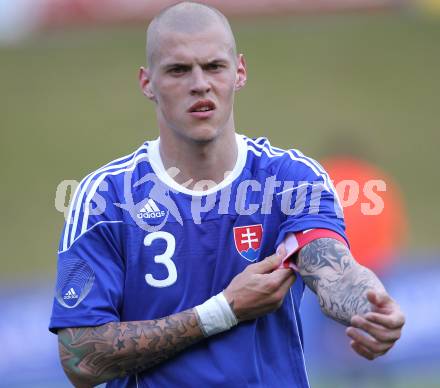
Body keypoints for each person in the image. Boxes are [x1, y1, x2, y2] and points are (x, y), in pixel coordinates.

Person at [49, 2, 405, 387]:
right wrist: (222, 311)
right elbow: (80, 357)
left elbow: (334, 269)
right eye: (178, 70)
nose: (199, 83)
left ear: (239, 72)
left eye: (214, 66)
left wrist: (371, 307)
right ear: (147, 82)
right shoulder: (107, 197)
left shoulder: (290, 179)